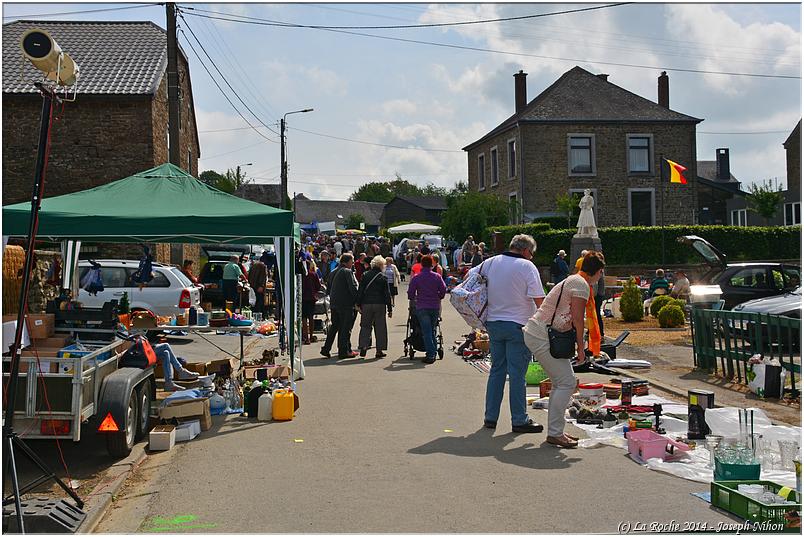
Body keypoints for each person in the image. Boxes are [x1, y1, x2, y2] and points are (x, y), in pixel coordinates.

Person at [523, 251, 606, 448]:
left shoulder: (574, 280)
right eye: (602, 273)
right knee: (566, 382)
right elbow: (577, 318)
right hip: (542, 334)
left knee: (562, 382)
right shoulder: (581, 285)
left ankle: (556, 431)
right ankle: (555, 433)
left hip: (538, 332)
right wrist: (581, 348)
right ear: (599, 271)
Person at [468, 234, 545, 434]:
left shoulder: (490, 262)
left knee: (497, 371)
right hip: (518, 324)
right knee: (517, 374)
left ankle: (490, 417)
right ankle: (519, 419)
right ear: (526, 250)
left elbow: (470, 278)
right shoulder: (527, 267)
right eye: (532, 253)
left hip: (493, 322)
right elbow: (539, 301)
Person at [407, 255, 446, 364]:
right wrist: (439, 296)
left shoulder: (417, 277)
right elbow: (443, 290)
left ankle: (431, 354)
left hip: (422, 306)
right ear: (431, 264)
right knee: (432, 329)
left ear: (422, 264)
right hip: (434, 307)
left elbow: (410, 293)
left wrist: (413, 298)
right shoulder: (437, 276)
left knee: (427, 331)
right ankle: (433, 350)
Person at [321, 254, 359, 359]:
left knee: (334, 327)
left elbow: (328, 289)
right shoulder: (347, 271)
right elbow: (352, 287)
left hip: (334, 303)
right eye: (352, 261)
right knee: (345, 328)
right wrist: (358, 301)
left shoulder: (333, 272)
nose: (353, 263)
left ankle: (326, 348)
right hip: (345, 304)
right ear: (346, 262)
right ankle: (343, 351)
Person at [357, 256, 393, 358]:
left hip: (367, 304)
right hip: (380, 305)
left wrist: (358, 304)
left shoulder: (365, 275)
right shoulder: (383, 277)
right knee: (380, 327)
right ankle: (379, 350)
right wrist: (389, 309)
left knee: (365, 326)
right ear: (381, 265)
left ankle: (363, 346)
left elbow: (361, 291)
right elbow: (387, 294)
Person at [301, 262, 321, 345]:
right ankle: (311, 336)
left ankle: (306, 338)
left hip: (302, 298)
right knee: (311, 317)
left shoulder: (300, 275)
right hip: (311, 298)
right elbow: (318, 286)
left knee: (304, 318)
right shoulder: (314, 274)